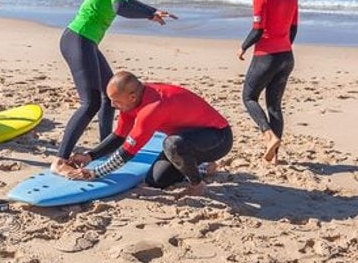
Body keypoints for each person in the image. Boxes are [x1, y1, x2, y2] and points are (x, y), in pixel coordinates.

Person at [51, 0, 177, 176]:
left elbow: (125, 1)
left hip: (86, 41)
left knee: (109, 97)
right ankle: (60, 160)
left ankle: (103, 148)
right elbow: (121, 6)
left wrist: (151, 11)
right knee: (90, 103)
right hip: (78, 38)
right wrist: (149, 14)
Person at [61, 71, 233, 197]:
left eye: (116, 101)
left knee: (172, 144)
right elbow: (120, 135)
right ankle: (204, 167)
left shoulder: (152, 108)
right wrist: (90, 156)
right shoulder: (131, 102)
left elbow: (127, 152)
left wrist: (94, 173)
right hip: (186, 139)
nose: (113, 105)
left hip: (217, 138)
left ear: (132, 97)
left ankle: (197, 184)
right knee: (156, 180)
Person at [237, 0, 298, 165]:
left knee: (249, 97)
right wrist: (284, 47)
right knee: (274, 106)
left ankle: (269, 136)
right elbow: (293, 29)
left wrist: (243, 46)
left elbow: (258, 30)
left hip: (267, 56)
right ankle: (276, 157)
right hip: (287, 57)